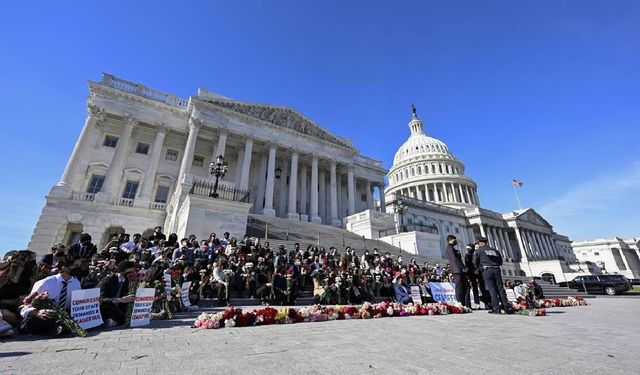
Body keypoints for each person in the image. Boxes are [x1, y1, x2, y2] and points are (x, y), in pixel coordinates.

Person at [20, 256, 83, 336]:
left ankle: (59, 328)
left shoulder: (76, 284)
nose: (79, 268)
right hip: (43, 317)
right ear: (64, 267)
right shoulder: (45, 283)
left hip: (62, 316)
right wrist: (37, 312)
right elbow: (25, 306)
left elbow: (76, 305)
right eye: (76, 266)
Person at [472, 237, 514, 314]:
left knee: (492, 289)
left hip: (487, 270)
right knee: (500, 289)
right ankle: (506, 307)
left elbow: (474, 262)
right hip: (496, 270)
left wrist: (479, 268)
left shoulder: (479, 250)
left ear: (480, 243)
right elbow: (500, 262)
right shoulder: (495, 250)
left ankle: (496, 308)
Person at [98, 260, 138, 327]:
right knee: (109, 307)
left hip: (118, 306)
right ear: (123, 270)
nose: (131, 273)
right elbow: (102, 299)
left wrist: (128, 297)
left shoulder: (125, 281)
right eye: (130, 271)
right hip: (105, 307)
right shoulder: (108, 280)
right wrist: (120, 300)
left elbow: (122, 295)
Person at [445, 235, 471, 308]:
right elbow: (455, 259)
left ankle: (466, 304)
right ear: (451, 240)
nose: (455, 241)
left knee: (466, 287)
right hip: (457, 270)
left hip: (460, 270)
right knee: (459, 287)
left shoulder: (452, 248)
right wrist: (463, 267)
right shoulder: (449, 248)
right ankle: (460, 303)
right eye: (454, 239)